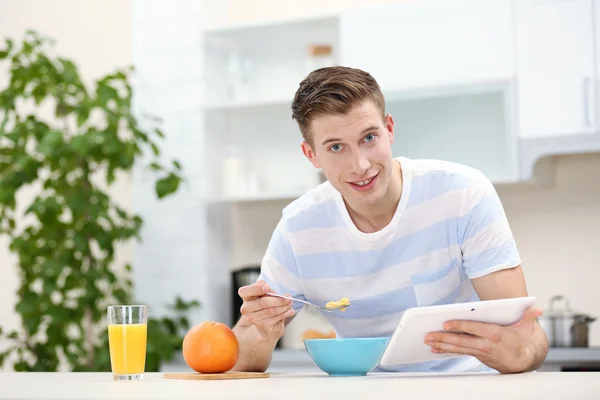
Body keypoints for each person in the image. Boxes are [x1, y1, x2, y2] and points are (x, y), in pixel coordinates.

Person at [231, 66, 549, 374]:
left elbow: (527, 337)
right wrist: (261, 329)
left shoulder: (463, 194)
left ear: (390, 129)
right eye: (336, 147)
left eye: (369, 138)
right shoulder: (298, 229)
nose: (361, 165)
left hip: (469, 383)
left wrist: (520, 356)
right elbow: (243, 354)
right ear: (311, 154)